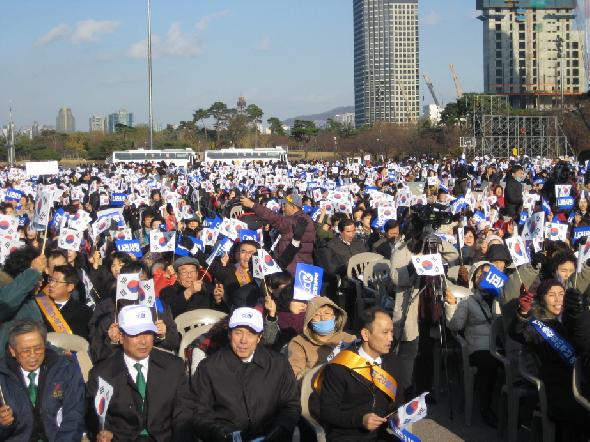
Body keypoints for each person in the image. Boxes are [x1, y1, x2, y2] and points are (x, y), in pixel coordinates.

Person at [86, 304, 194, 441]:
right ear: (120, 336)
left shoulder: (174, 367)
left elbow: (183, 413)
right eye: (135, 334)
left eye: (148, 333)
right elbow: (93, 415)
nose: (143, 341)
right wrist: (101, 431)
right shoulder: (102, 373)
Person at [192, 307, 301, 441]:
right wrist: (224, 435)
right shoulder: (209, 368)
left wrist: (280, 430)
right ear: (229, 334)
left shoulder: (278, 364)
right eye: (238, 333)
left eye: (251, 334)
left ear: (259, 337)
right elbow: (199, 413)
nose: (244, 340)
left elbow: (290, 405)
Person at [510, 280, 590, 441]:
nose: (558, 299)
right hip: (559, 388)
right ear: (542, 299)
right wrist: (522, 314)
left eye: (562, 294)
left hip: (583, 381)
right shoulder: (537, 325)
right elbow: (517, 333)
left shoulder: (574, 317)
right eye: (552, 295)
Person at [314, 307, 405, 441]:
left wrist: (399, 414)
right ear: (365, 334)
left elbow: (399, 398)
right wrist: (360, 420)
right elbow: (328, 412)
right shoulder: (339, 367)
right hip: (347, 435)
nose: (391, 338)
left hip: (381, 434)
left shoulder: (392, 362)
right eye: (385, 332)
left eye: (392, 332)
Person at [0, 319, 85, 441]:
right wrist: (3, 425)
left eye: (38, 349)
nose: (33, 355)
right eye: (25, 351)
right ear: (13, 351)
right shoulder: (3, 376)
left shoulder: (66, 369)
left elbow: (74, 417)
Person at [444, 261, 501, 427]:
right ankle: (485, 407)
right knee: (489, 362)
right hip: (479, 346)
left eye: (489, 274)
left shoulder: (501, 298)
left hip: (500, 344)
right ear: (474, 280)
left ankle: (511, 409)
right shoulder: (468, 301)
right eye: (480, 275)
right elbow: (455, 326)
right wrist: (451, 305)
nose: (484, 277)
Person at [240, 193, 316, 274]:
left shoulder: (295, 222)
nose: (283, 208)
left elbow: (274, 218)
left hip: (293, 269)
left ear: (293, 207)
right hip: (302, 267)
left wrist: (252, 205)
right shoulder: (306, 218)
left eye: (285, 205)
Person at [287, 296, 356, 379]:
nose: (323, 318)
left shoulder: (349, 340)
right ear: (309, 320)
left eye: (326, 313)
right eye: (316, 315)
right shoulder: (299, 343)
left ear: (335, 316)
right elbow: (295, 374)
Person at [0, 248, 47, 358]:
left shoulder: (28, 299)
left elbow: (37, 337)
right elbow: (4, 304)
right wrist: (33, 272)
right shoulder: (9, 293)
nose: (42, 281)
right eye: (40, 276)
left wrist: (58, 351)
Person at [37, 265, 92, 340]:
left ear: (70, 287)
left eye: (56, 281)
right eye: (51, 280)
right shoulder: (38, 304)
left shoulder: (84, 312)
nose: (51, 285)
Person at [159, 256, 225, 318]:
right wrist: (189, 291)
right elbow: (168, 315)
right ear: (176, 275)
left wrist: (218, 300)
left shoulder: (208, 289)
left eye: (192, 271)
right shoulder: (167, 292)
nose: (189, 275)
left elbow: (222, 316)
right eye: (184, 272)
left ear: (197, 274)